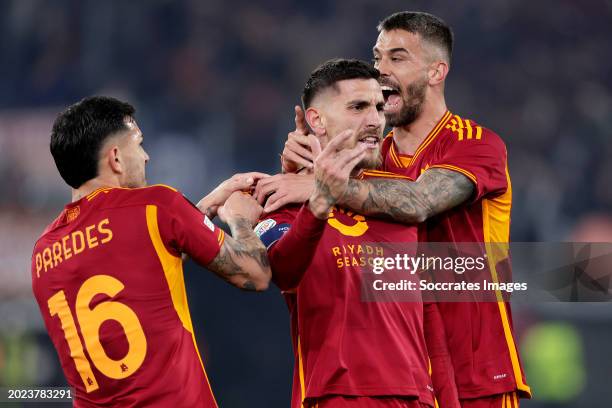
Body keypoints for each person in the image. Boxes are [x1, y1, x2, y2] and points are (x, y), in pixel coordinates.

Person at [256, 11, 530, 408]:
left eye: (397, 58)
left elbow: (419, 202)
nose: (380, 70)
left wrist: (325, 183)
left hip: (475, 373)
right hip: (403, 375)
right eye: (377, 56)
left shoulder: (475, 144)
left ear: (436, 72)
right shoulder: (367, 158)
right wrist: (306, 159)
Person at [31, 96, 271, 407]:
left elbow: (147, 266)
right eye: (139, 143)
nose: (145, 157)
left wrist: (205, 207)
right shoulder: (157, 206)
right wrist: (239, 219)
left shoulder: (44, 252)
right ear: (116, 158)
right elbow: (256, 273)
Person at [252, 58, 435, 408]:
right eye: (358, 107)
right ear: (316, 120)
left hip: (419, 397)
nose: (375, 120)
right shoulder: (283, 198)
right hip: (338, 395)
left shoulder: (402, 197)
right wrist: (319, 200)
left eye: (380, 107)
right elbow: (283, 271)